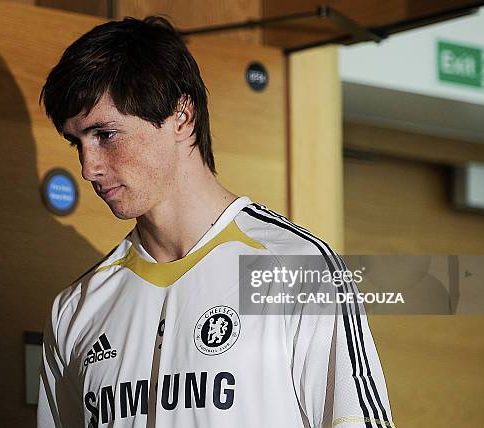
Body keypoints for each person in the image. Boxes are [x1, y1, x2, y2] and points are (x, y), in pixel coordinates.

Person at [37, 16, 394, 428]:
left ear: (181, 117)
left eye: (105, 134)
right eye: (76, 142)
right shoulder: (74, 309)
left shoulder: (299, 269)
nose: (88, 167)